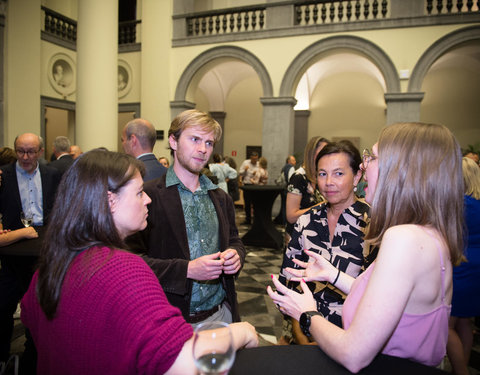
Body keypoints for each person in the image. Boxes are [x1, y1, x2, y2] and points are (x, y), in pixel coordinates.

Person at [20, 150, 258, 374]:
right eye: (139, 192)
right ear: (110, 201)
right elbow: (186, 364)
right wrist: (241, 332)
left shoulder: (50, 267)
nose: (147, 200)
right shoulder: (125, 270)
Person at [268, 122, 464, 372]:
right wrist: (333, 274)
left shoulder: (402, 238)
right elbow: (384, 299)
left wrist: (307, 315)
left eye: (372, 157)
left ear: (401, 170)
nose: (364, 164)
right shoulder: (427, 233)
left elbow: (353, 354)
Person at [126, 109, 245, 325]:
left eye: (209, 143)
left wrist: (236, 255)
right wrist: (187, 270)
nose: (203, 149)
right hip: (169, 320)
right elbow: (130, 261)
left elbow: (234, 240)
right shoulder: (149, 196)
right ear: (173, 141)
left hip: (220, 315)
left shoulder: (220, 198)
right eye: (195, 139)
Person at [279, 141, 369, 344]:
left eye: (338, 173)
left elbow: (379, 298)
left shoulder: (373, 225)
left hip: (354, 338)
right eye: (322, 174)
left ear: (356, 177)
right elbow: (291, 281)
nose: (328, 182)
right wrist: (302, 336)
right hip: (305, 331)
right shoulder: (307, 221)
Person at [0, 133, 61, 366]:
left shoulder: (52, 174)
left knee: (39, 309)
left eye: (31, 151)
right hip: (12, 250)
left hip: (43, 251)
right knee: (3, 305)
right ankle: (3, 358)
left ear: (40, 151)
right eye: (20, 151)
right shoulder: (3, 176)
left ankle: (32, 358)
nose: (25, 157)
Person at [447, 156, 480, 375]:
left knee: (445, 327)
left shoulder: (459, 205)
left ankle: (460, 371)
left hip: (460, 265)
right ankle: (465, 363)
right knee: (465, 322)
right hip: (475, 268)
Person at [285, 137, 329, 242]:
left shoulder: (319, 177)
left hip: (315, 235)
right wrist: (321, 206)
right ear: (312, 154)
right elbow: (291, 216)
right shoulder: (299, 177)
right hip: (299, 237)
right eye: (323, 153)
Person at [239, 151, 260, 224]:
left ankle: (256, 220)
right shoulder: (246, 162)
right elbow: (240, 173)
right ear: (250, 158)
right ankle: (248, 219)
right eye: (253, 159)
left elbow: (261, 173)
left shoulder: (258, 164)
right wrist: (245, 170)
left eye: (256, 159)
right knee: (247, 203)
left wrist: (256, 173)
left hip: (255, 185)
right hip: (247, 185)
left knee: (255, 203)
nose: (255, 160)